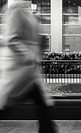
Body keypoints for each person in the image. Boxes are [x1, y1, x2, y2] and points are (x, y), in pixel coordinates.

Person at [0, 0, 57, 133]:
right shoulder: (16, 9)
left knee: (44, 106)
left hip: (28, 71)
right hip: (19, 69)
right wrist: (29, 56)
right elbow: (12, 39)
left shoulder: (27, 10)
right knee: (6, 105)